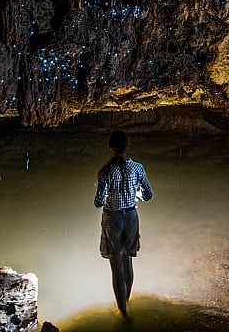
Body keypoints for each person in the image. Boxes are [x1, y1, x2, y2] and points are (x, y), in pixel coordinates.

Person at [94, 128, 153, 317]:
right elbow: (149, 195)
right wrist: (136, 195)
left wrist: (107, 196)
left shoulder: (105, 171)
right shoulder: (138, 168)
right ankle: (127, 301)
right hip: (131, 217)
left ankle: (123, 312)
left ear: (111, 147)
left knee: (116, 266)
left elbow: (97, 202)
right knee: (128, 261)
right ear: (127, 145)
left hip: (113, 219)